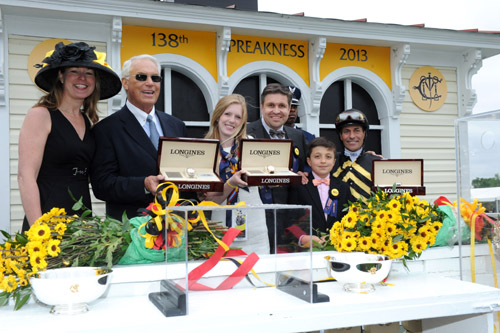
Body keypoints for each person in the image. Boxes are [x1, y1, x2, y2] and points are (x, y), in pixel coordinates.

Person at [18, 41, 122, 232]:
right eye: (74, 71)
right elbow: (25, 177)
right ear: (61, 76)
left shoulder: (87, 121)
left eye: (89, 73)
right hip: (47, 218)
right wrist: (38, 230)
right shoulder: (41, 115)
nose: (82, 78)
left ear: (95, 81)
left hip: (81, 219)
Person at [91, 54, 187, 221]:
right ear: (125, 83)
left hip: (175, 228)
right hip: (130, 232)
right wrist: (143, 184)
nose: (150, 83)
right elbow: (102, 185)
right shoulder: (106, 129)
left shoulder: (177, 125)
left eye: (155, 78)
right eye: (142, 77)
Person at [202, 94, 270, 255]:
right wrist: (231, 183)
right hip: (221, 229)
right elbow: (209, 201)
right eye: (227, 114)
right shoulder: (206, 149)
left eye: (238, 117)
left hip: (256, 229)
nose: (232, 120)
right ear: (218, 116)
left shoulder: (251, 144)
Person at [288, 137, 353, 246]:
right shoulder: (299, 186)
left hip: (337, 245)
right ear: (309, 161)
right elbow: (290, 219)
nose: (323, 161)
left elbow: (349, 217)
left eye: (328, 157)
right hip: (308, 247)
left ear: (334, 162)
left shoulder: (343, 187)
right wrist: (303, 238)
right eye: (317, 157)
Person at [332, 108, 382, 201]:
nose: (352, 136)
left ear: (364, 134)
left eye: (357, 130)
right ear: (340, 136)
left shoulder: (377, 163)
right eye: (346, 131)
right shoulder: (330, 162)